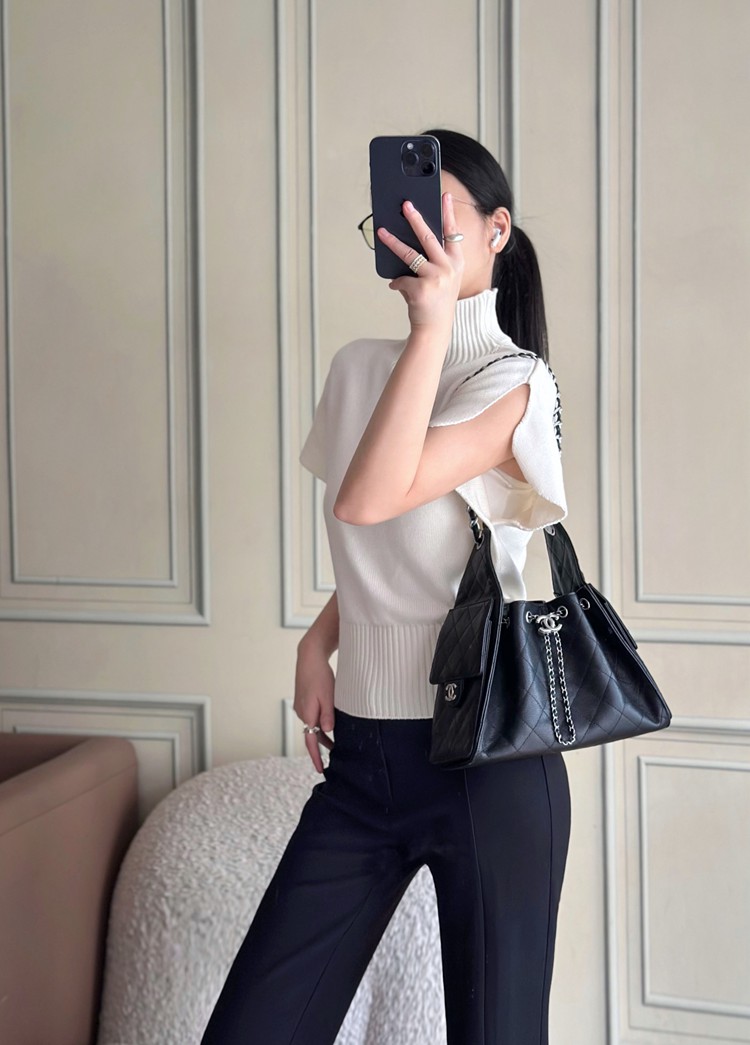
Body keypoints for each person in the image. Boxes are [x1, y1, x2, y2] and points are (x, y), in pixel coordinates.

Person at [200, 128, 571, 1045]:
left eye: (440, 216)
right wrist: (320, 639)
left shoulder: (518, 385)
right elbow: (393, 543)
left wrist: (433, 327)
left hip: (489, 762)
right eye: (399, 217)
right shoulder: (358, 367)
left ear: (497, 231)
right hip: (364, 760)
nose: (417, 234)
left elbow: (368, 497)